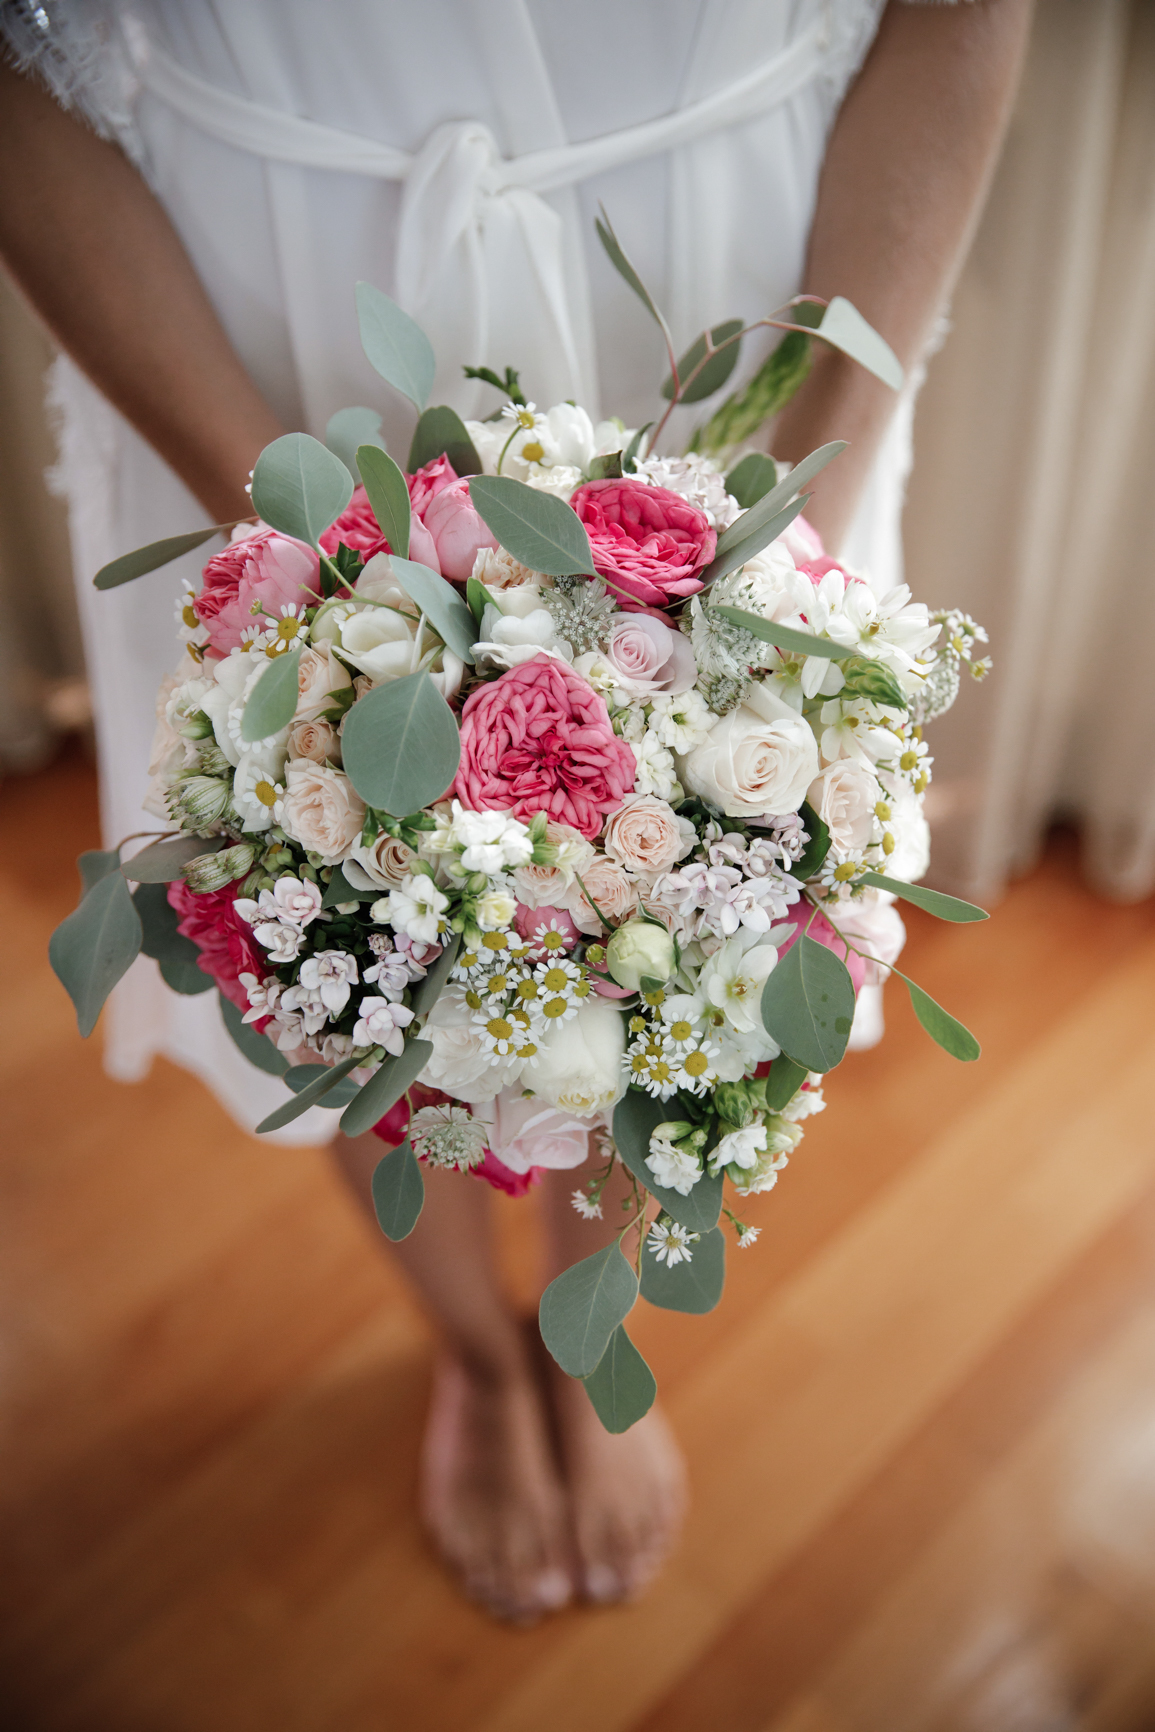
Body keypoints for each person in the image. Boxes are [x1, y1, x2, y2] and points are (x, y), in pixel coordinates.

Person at [0, 0, 1030, 1622]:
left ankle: (579, 1324)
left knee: (701, 959)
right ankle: (481, 1358)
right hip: (255, 321)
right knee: (339, 929)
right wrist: (306, 561)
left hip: (746, 321)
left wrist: (788, 508)